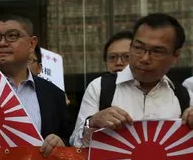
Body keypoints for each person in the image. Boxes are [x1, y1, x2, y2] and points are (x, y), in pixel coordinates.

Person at [71, 13, 193, 147]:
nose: (144, 58)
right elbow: (76, 145)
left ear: (176, 55)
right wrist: (92, 122)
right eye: (138, 48)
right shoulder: (100, 87)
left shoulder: (184, 97)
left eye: (157, 51)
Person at [0, 14, 73, 154]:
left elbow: (71, 141)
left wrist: (60, 143)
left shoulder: (54, 94)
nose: (2, 43)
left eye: (12, 36)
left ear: (32, 44)